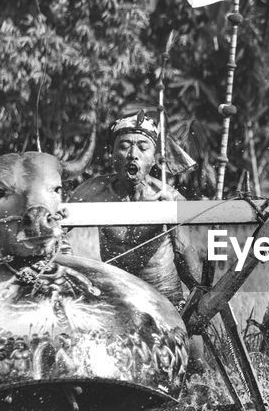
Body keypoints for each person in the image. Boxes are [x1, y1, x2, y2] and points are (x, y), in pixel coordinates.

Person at [69, 111, 202, 309]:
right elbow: (55, 228)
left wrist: (172, 217)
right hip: (118, 297)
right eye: (123, 146)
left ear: (154, 157)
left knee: (192, 337)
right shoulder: (94, 192)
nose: (133, 154)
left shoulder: (168, 196)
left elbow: (190, 269)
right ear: (111, 153)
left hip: (164, 298)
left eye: (143, 147)